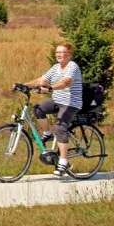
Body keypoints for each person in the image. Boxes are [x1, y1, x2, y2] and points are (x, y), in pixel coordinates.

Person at [22, 41, 83, 176]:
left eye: (63, 52)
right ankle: (47, 134)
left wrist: (50, 88)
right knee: (38, 109)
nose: (60, 55)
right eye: (57, 52)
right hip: (57, 100)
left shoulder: (72, 67)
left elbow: (65, 82)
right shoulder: (55, 67)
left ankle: (63, 161)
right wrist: (23, 85)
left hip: (71, 103)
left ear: (69, 55)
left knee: (60, 127)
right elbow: (41, 80)